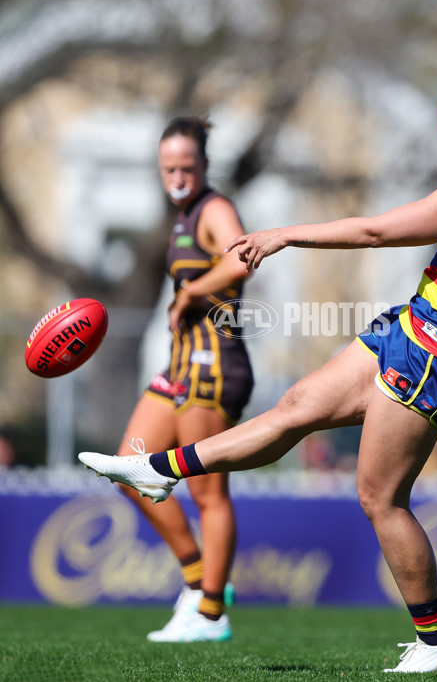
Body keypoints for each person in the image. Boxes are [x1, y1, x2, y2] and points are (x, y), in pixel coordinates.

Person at [80, 72, 437, 673]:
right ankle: (158, 471)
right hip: (413, 326)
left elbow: (377, 230)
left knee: (380, 498)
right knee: (297, 405)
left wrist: (285, 235)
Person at [113, 117, 254, 642]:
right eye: (168, 167)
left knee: (207, 492)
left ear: (204, 167)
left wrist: (194, 293)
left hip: (215, 365)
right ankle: (198, 579)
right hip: (179, 365)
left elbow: (241, 260)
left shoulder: (214, 208)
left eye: (186, 167)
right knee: (129, 468)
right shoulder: (181, 215)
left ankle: (212, 612)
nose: (177, 176)